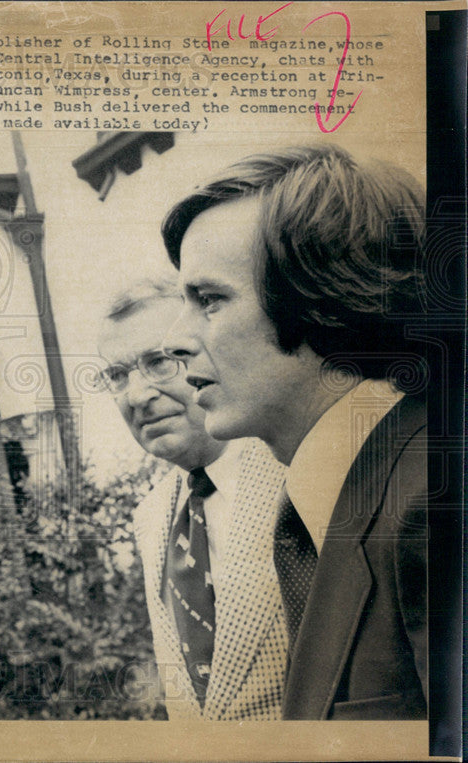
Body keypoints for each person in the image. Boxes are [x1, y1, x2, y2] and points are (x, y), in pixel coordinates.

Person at [162, 144, 432, 720]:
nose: (176, 340)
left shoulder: (432, 505)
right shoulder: (355, 490)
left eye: (209, 300)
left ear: (321, 301)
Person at [97, 276, 286, 720]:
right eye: (117, 376)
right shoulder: (151, 515)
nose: (137, 395)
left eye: (159, 362)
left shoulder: (293, 475)